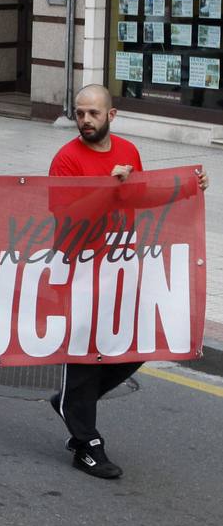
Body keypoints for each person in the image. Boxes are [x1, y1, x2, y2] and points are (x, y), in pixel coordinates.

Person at [46, 84, 209, 478]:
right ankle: (87, 444)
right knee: (85, 357)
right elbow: (64, 214)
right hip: (80, 271)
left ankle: (70, 402)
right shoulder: (66, 159)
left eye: (93, 114)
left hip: (120, 268)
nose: (84, 120)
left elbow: (138, 196)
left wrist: (184, 188)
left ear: (111, 116)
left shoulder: (127, 152)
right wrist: (109, 188)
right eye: (79, 113)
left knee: (138, 345)